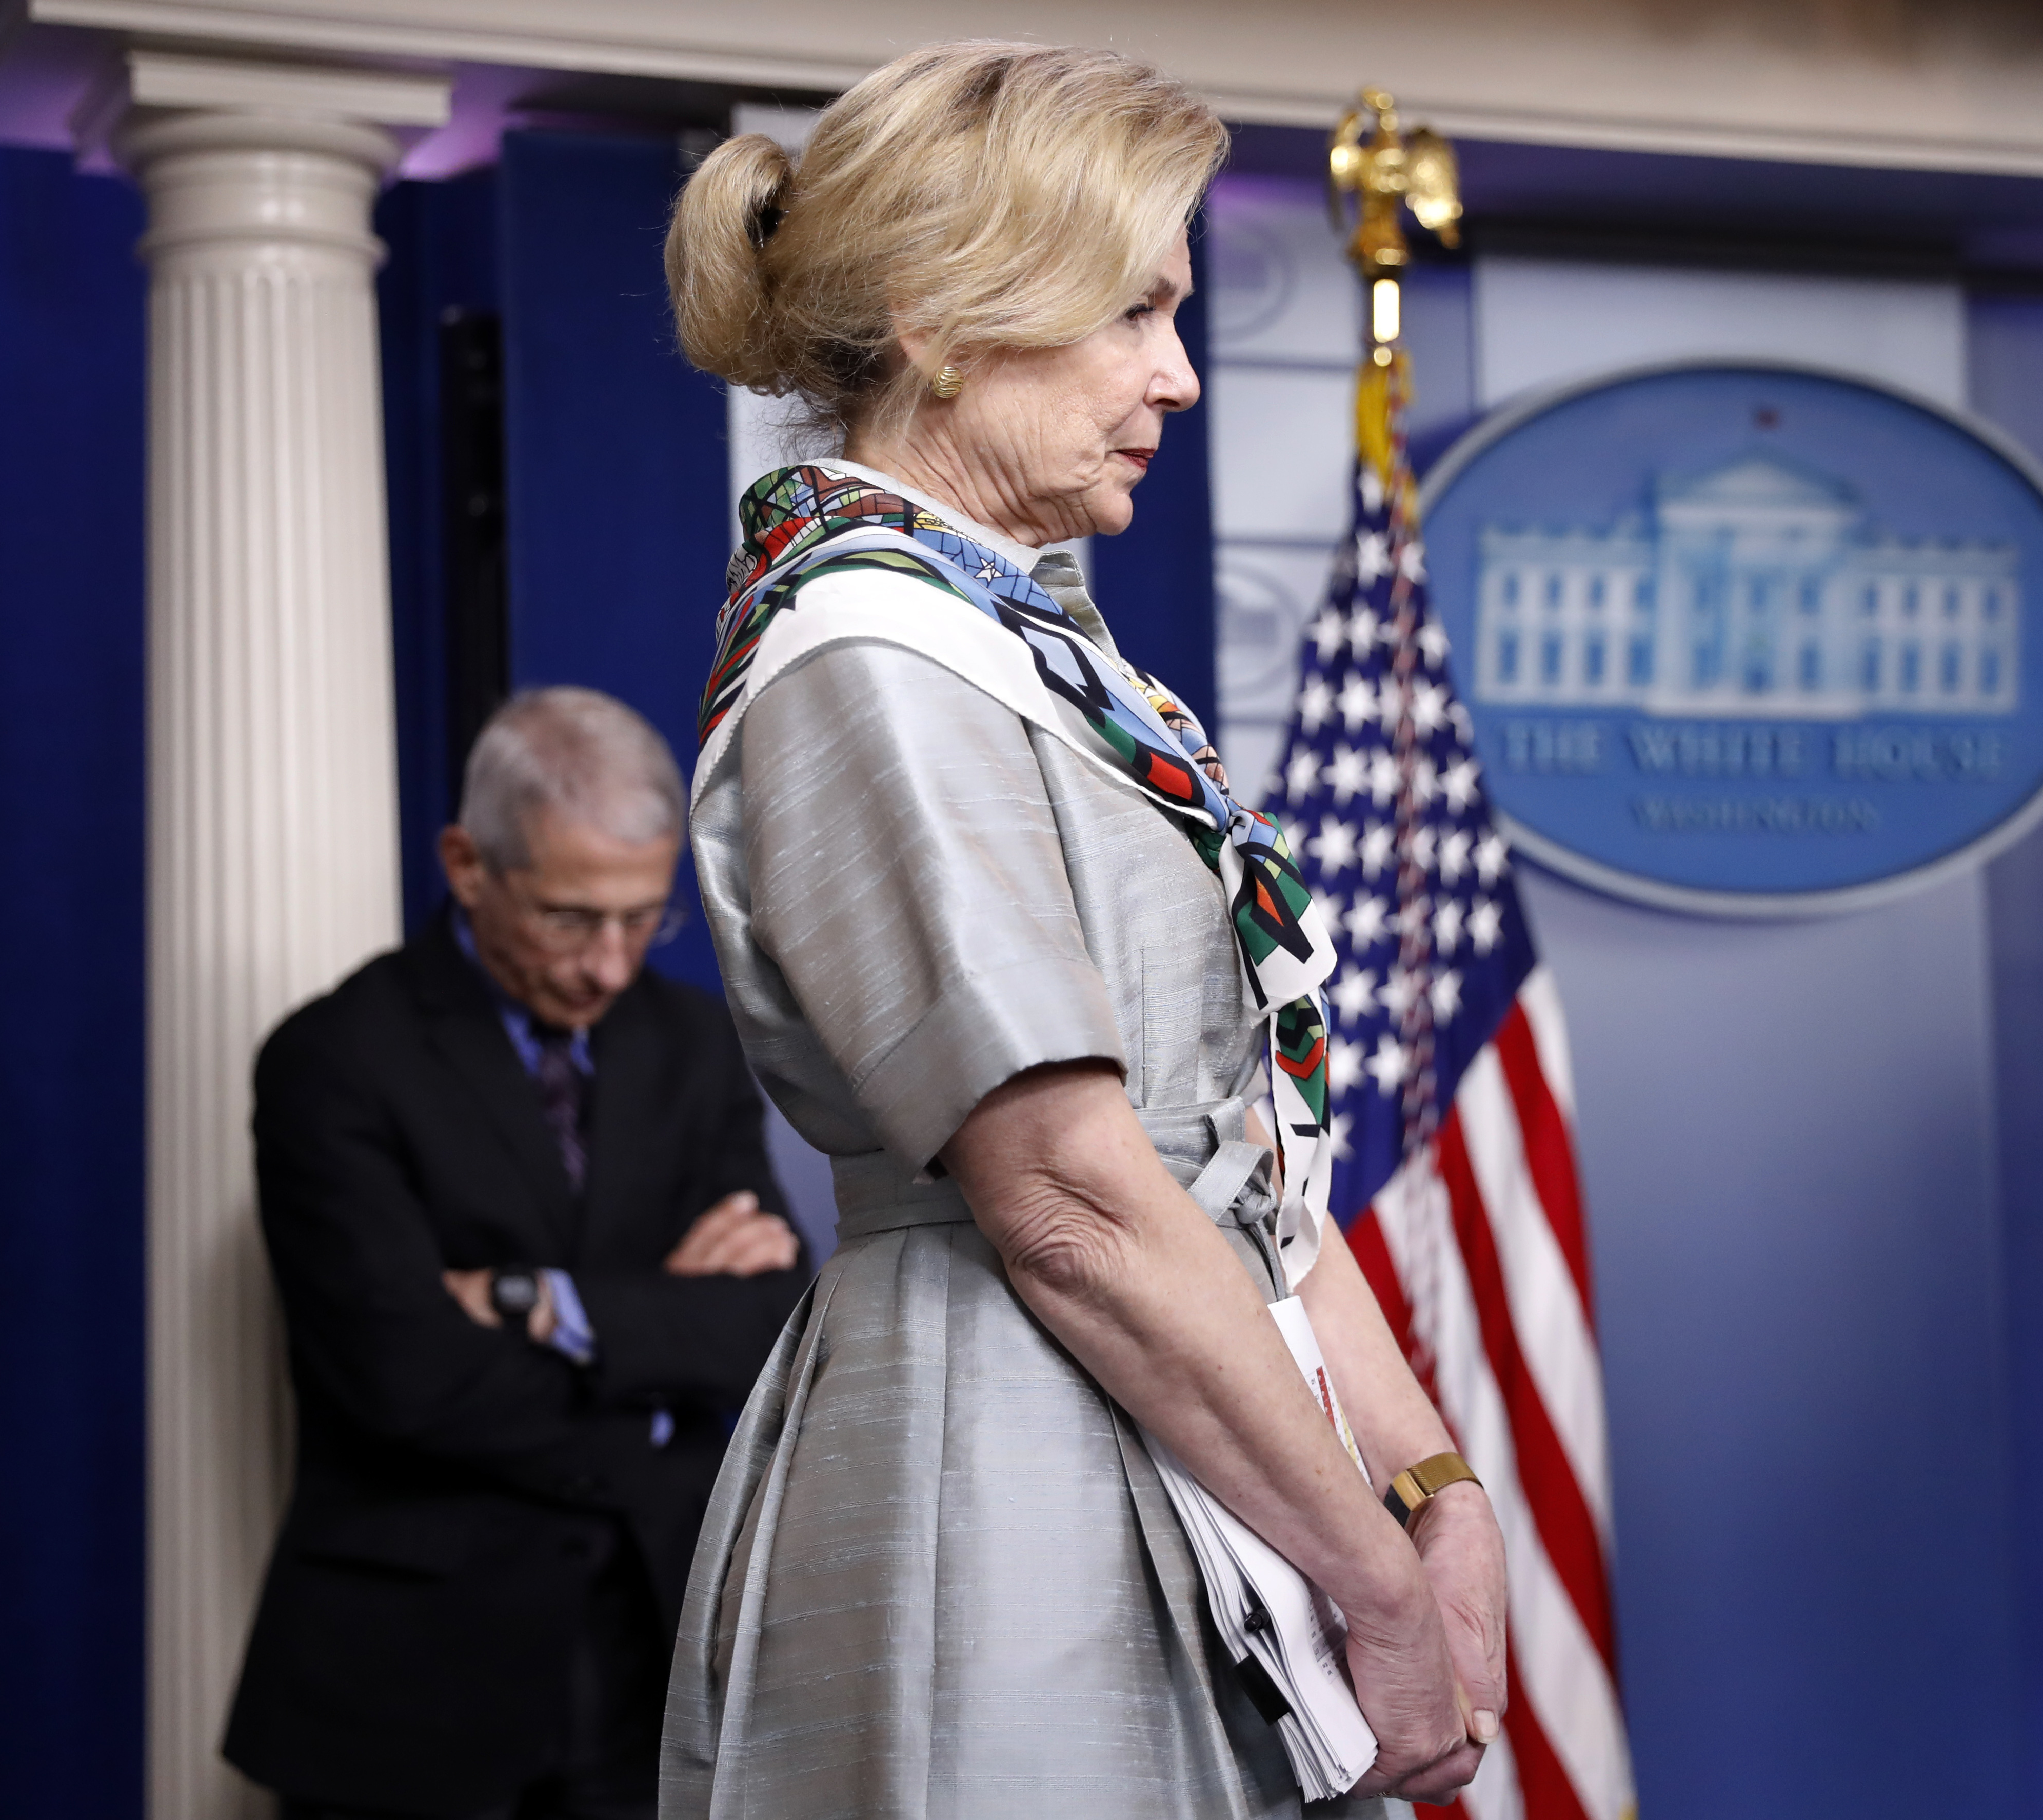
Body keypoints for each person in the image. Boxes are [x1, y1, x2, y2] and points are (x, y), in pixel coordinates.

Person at [660, 41, 1510, 1820]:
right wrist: (1370, 1579)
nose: (1178, 378)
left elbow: (1234, 1165)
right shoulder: (867, 660)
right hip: (1011, 1474)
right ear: (937, 317)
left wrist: (1438, 1496)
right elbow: (1065, 1198)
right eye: (1131, 312)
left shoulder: (1034, 648)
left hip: (1208, 1447)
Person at [223, 688, 809, 1820]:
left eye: (643, 920)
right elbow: (409, 1380)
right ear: (466, 862)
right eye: (568, 917)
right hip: (408, 1689)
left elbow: (763, 1325)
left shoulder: (691, 1044)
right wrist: (655, 1356)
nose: (607, 964)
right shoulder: (334, 1059)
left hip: (658, 1662)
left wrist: (532, 1300)